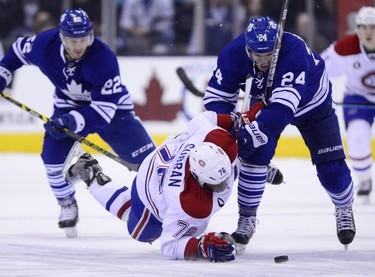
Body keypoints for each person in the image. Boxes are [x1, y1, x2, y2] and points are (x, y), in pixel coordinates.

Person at [203, 16, 356, 253]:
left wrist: (250, 136)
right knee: (254, 158)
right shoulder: (232, 54)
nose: (263, 61)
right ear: (247, 48)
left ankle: (344, 207)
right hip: (265, 102)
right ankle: (246, 220)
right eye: (257, 55)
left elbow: (283, 109)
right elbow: (217, 102)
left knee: (331, 170)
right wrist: (226, 129)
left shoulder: (293, 50)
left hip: (312, 104)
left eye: (268, 54)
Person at [0, 8, 156, 238]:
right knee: (52, 162)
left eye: (83, 39)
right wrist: (3, 73)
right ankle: (67, 203)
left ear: (91, 36)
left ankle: (165, 204)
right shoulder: (45, 45)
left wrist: (72, 121)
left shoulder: (103, 58)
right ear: (62, 37)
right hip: (68, 106)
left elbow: (103, 111)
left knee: (149, 164)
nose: (78, 45)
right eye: (73, 40)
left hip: (113, 111)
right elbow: (16, 51)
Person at [64, 110, 239, 262]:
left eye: (224, 178)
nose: (223, 186)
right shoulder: (187, 202)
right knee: (139, 231)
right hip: (149, 186)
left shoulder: (219, 140)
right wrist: (200, 247)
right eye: (215, 183)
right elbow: (169, 244)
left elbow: (201, 119)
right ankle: (91, 174)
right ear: (198, 178)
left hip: (164, 159)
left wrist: (235, 120)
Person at [321, 6, 375, 204]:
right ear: (357, 28)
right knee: (357, 139)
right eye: (363, 27)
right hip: (358, 98)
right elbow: (318, 67)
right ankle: (365, 180)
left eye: (373, 27)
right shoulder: (345, 48)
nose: (368, 32)